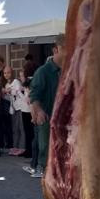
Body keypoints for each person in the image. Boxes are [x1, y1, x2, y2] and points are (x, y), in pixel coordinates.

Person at [29, 37, 64, 179]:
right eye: (66, 49)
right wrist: (39, 110)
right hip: (48, 119)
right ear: (55, 50)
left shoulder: (70, 71)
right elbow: (34, 96)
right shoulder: (43, 72)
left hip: (65, 120)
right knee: (48, 155)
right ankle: (49, 193)